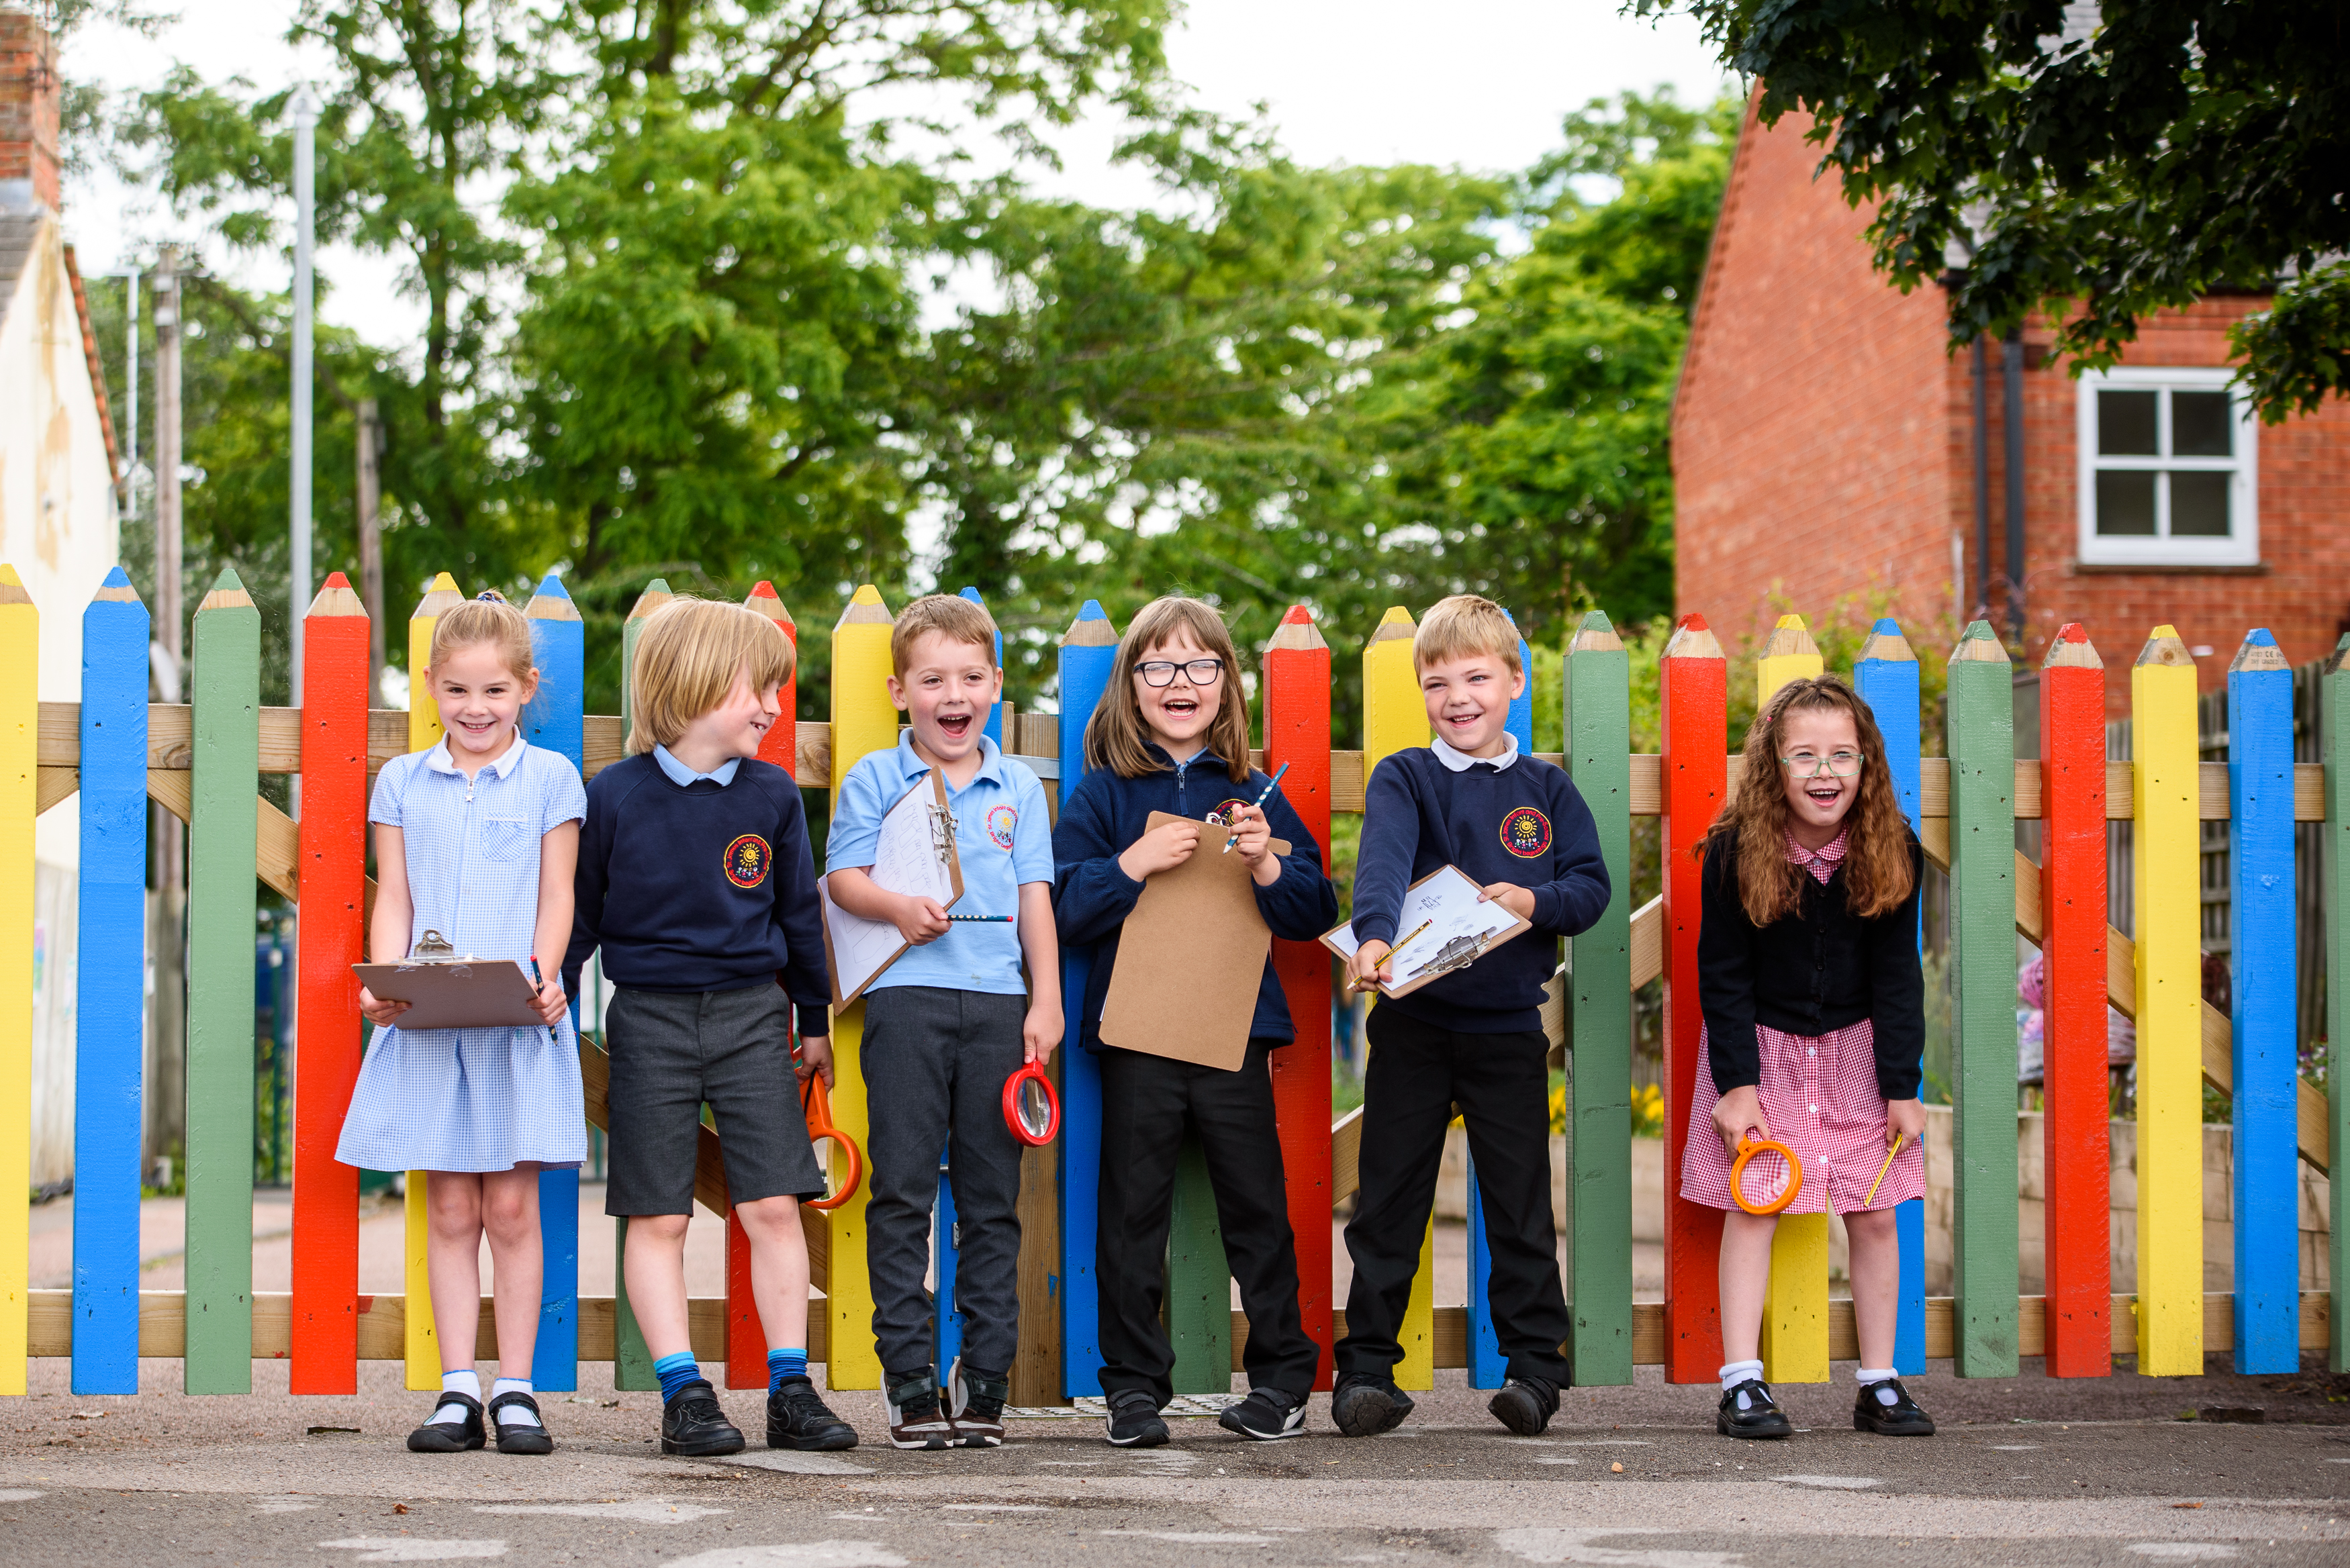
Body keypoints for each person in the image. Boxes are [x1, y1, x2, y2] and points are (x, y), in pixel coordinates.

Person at [563, 596, 857, 1457]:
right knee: (656, 1216)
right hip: (648, 1020)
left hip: (752, 1019)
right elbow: (580, 917)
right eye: (757, 685)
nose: (771, 703)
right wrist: (547, 993)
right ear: (691, 682)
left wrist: (811, 1021)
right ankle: (683, 1393)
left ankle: (790, 1388)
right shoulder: (612, 795)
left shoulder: (768, 792)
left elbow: (801, 917)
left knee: (772, 1203)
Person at [1053, 595, 1337, 1447]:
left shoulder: (1255, 795)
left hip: (1232, 1033)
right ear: (1131, 685)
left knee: (1256, 1206)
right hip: (1137, 1033)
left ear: (1226, 683)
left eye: (1200, 665)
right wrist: (1129, 863)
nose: (1181, 681)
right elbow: (1064, 906)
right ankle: (1132, 1390)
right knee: (1131, 1213)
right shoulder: (1103, 794)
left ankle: (1283, 1380)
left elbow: (1312, 907)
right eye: (1159, 666)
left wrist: (1263, 859)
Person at [1335, 593, 1610, 1439]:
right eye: (1436, 680)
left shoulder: (1546, 788)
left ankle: (1534, 1372)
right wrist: (1374, 938)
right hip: (1413, 1028)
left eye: (1476, 676)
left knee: (1518, 1203)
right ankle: (1366, 1374)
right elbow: (1380, 864)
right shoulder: (1405, 776)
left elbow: (1591, 887)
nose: (1456, 695)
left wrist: (1534, 898)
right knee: (1387, 1201)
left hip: (1506, 1033)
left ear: (1514, 682)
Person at [344, 591, 585, 1456]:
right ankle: (456, 1389)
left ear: (524, 687)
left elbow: (559, 894)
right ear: (430, 687)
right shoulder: (402, 781)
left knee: (513, 1207)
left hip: (517, 1019)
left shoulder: (554, 779)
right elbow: (395, 897)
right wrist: (386, 984)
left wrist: (547, 973)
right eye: (456, 692)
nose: (474, 709)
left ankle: (514, 1388)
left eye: (492, 692)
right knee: (448, 1207)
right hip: (432, 1021)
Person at [825, 593, 1062, 1449]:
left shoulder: (1020, 789)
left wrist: (1047, 998)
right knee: (903, 1193)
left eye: (969, 676)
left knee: (993, 1199)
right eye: (932, 679)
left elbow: (1035, 897)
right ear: (900, 690)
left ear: (994, 684)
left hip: (999, 1006)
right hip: (905, 1002)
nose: (951, 694)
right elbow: (843, 879)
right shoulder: (876, 779)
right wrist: (895, 907)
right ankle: (911, 1381)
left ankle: (986, 1378)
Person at [1685, 675, 1933, 1440]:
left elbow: (1898, 975)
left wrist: (1901, 1085)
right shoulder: (1732, 852)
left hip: (1859, 1053)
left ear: (1865, 764)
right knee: (1754, 1204)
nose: (1824, 772)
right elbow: (1720, 974)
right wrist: (1735, 1085)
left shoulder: (1892, 846)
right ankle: (1740, 1382)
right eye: (1804, 756)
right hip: (1762, 1052)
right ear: (1773, 767)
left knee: (1875, 1213)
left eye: (1841, 755)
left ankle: (1878, 1381)